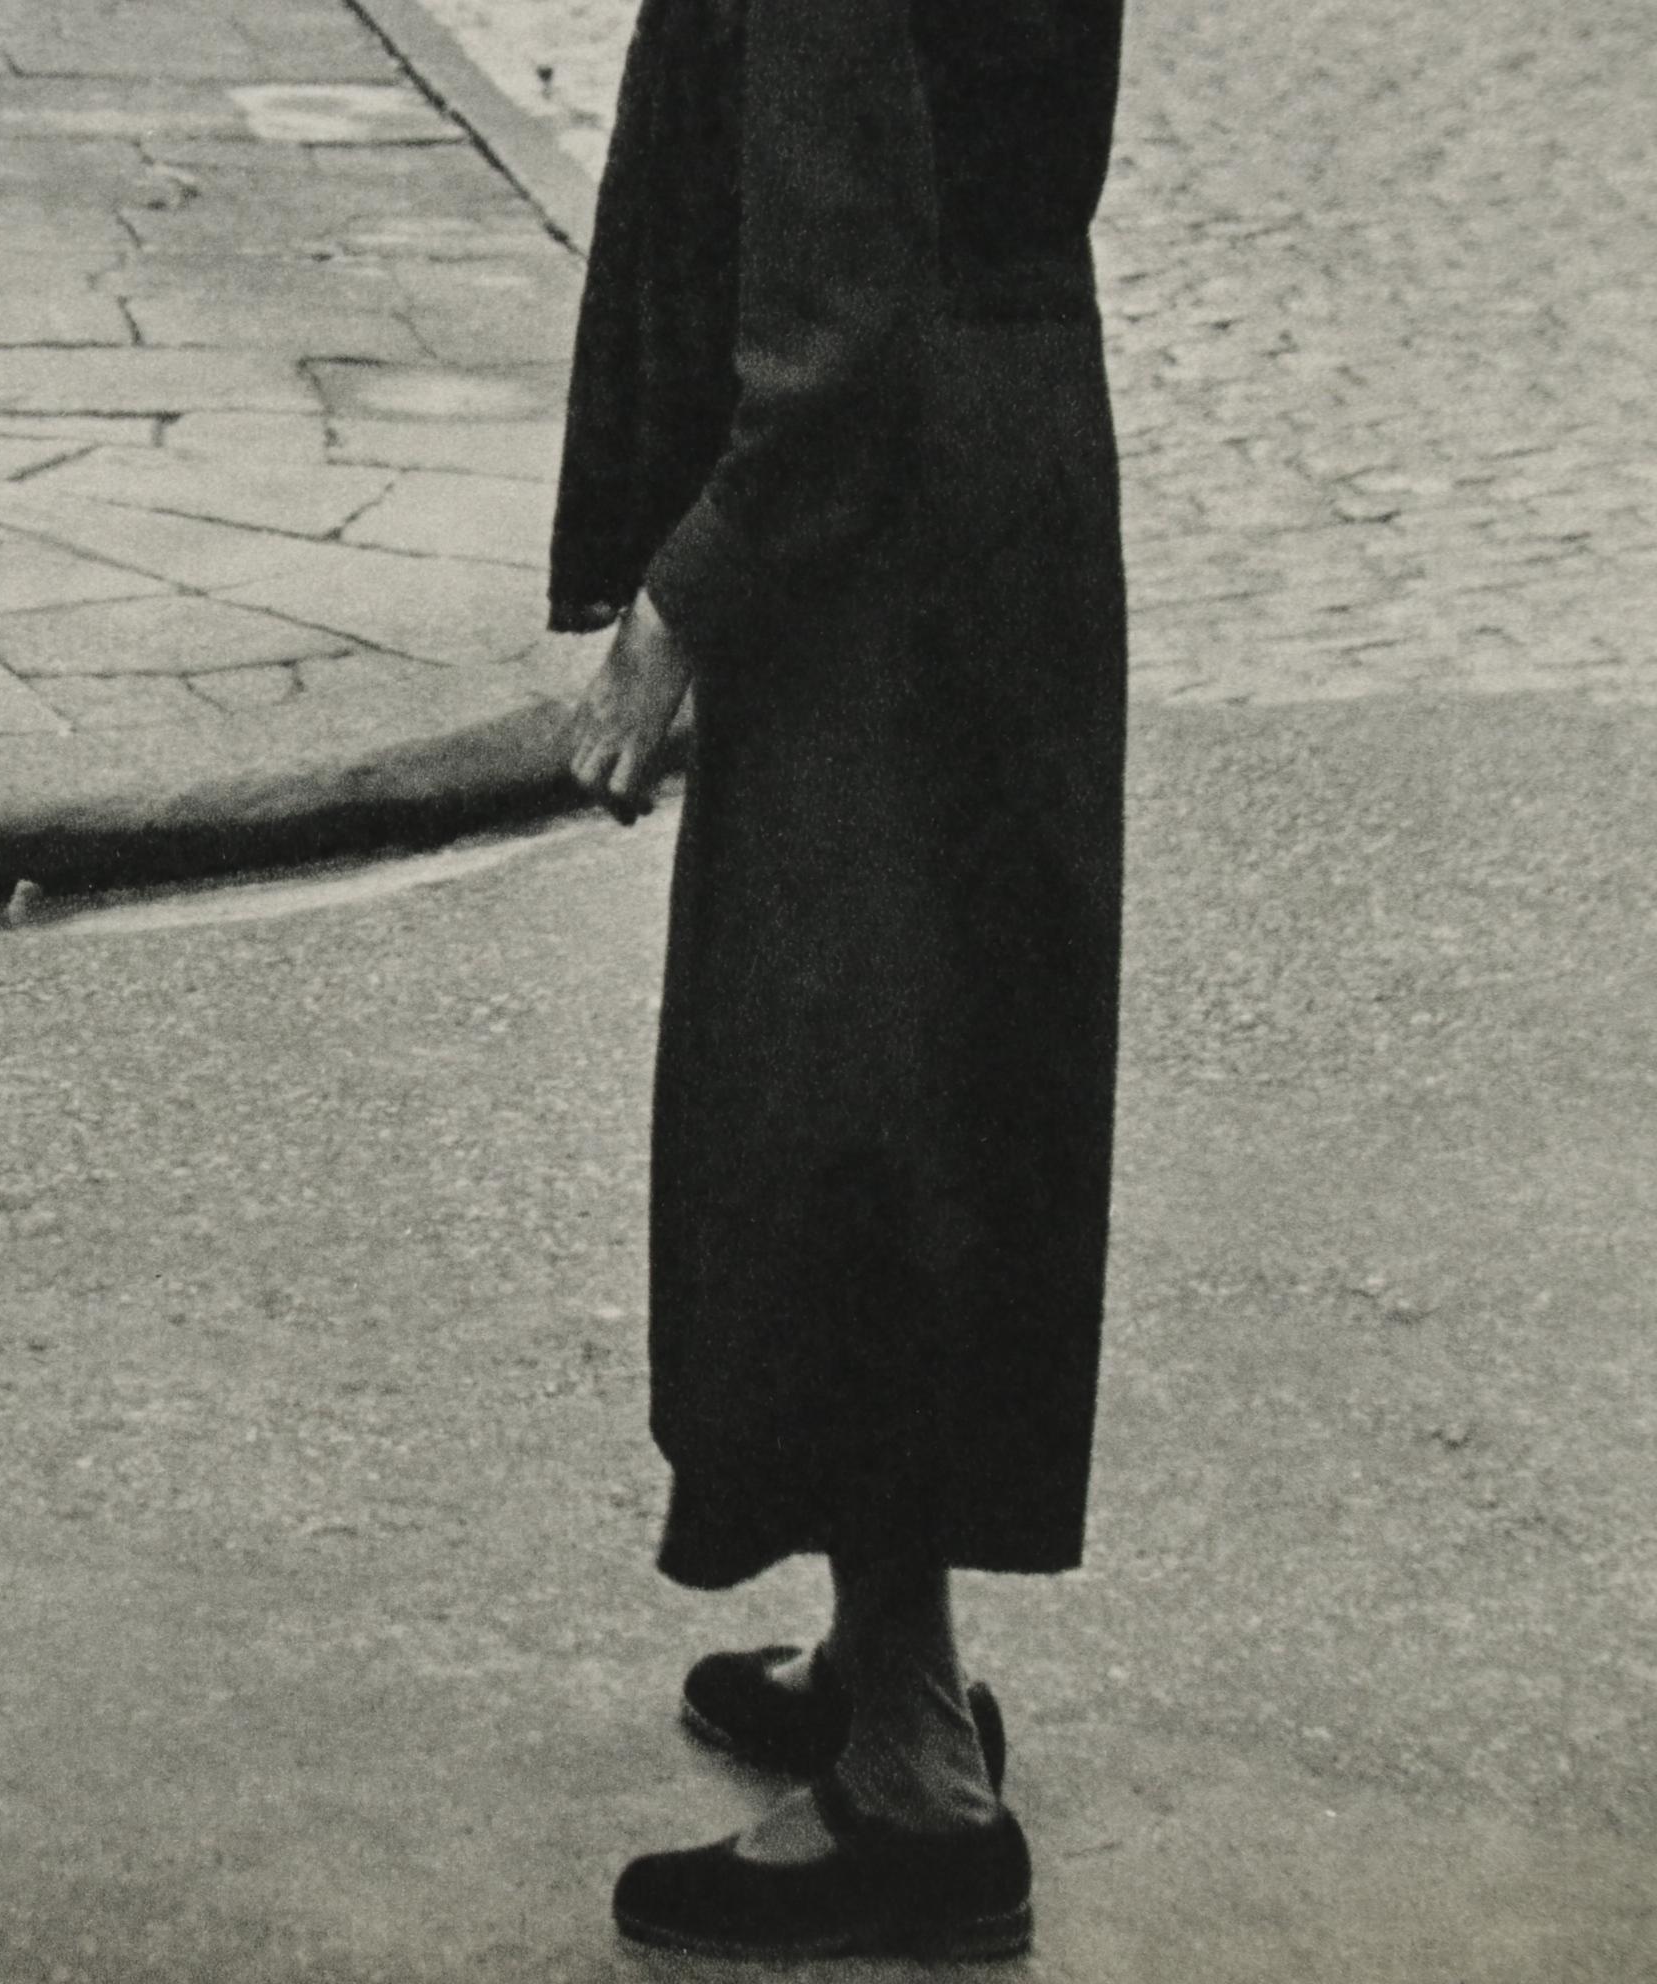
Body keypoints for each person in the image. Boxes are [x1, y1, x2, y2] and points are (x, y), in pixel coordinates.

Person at [553, 0, 1128, 1960]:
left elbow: (841, 326)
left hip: (890, 527)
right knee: (940, 1083)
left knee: (847, 1117)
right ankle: (897, 1653)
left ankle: (906, 1781)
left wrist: (675, 604)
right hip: (1012, 450)